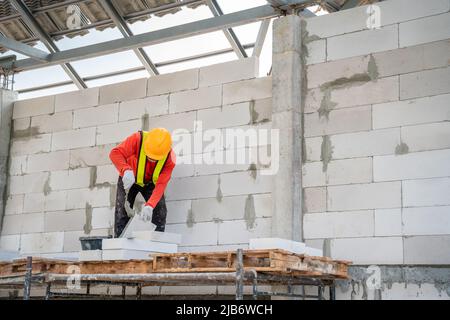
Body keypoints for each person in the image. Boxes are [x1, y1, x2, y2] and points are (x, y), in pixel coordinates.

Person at [109, 127, 176, 237]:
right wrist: (125, 170)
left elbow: (161, 184)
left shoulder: (170, 158)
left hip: (151, 183)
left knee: (160, 212)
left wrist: (150, 205)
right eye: (150, 155)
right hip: (129, 178)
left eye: (155, 158)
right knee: (122, 211)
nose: (152, 159)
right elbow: (115, 153)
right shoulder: (137, 139)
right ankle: (119, 244)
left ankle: (156, 245)